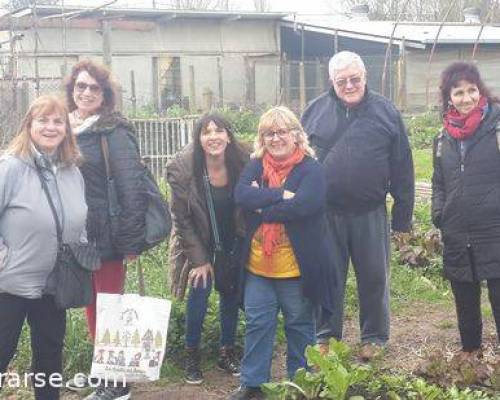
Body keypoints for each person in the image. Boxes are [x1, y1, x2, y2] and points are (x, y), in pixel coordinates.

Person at [301, 51, 414, 361]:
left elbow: (403, 166)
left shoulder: (386, 112)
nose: (349, 85)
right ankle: (326, 336)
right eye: (342, 81)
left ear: (365, 77)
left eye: (354, 79)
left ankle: (374, 336)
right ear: (331, 82)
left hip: (370, 212)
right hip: (326, 213)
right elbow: (296, 162)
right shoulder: (313, 112)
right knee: (328, 277)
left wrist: (402, 218)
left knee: (375, 277)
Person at [229, 106, 336, 400]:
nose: (275, 139)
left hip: (296, 268)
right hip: (258, 267)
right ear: (262, 138)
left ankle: (298, 383)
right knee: (257, 323)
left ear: (296, 135)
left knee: (300, 325)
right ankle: (253, 384)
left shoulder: (310, 168)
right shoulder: (255, 165)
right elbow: (241, 195)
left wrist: (262, 206)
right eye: (269, 133)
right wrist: (280, 195)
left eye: (282, 132)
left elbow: (306, 206)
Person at [64, 59, 148, 400]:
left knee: (109, 307)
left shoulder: (114, 130)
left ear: (105, 94)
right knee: (90, 304)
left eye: (93, 88)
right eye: (80, 86)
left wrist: (130, 241)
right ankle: (103, 372)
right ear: (72, 90)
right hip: (80, 234)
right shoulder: (66, 126)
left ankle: (117, 384)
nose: (86, 92)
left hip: (109, 235)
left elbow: (132, 189)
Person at [0, 95, 87, 400]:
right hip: (9, 284)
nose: (50, 127)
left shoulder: (72, 172)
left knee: (49, 356)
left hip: (54, 284)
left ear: (66, 129)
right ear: (29, 125)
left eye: (57, 121)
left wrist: (81, 251)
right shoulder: (10, 167)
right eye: (43, 120)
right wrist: (3, 259)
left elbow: (79, 218)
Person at [166, 113, 249, 385]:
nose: (213, 137)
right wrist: (199, 259)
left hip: (231, 238)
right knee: (199, 290)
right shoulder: (184, 168)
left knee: (229, 293)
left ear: (229, 135)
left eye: (219, 130)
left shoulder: (243, 161)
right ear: (198, 138)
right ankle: (192, 353)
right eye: (206, 132)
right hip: (198, 238)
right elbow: (181, 217)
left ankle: (226, 350)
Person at [432, 62, 500, 359]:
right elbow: (438, 182)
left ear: (480, 90)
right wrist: (440, 213)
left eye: (471, 90)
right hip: (457, 228)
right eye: (458, 92)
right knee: (464, 293)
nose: (466, 98)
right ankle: (471, 351)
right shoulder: (442, 138)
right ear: (449, 97)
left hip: (494, 227)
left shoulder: (496, 128)